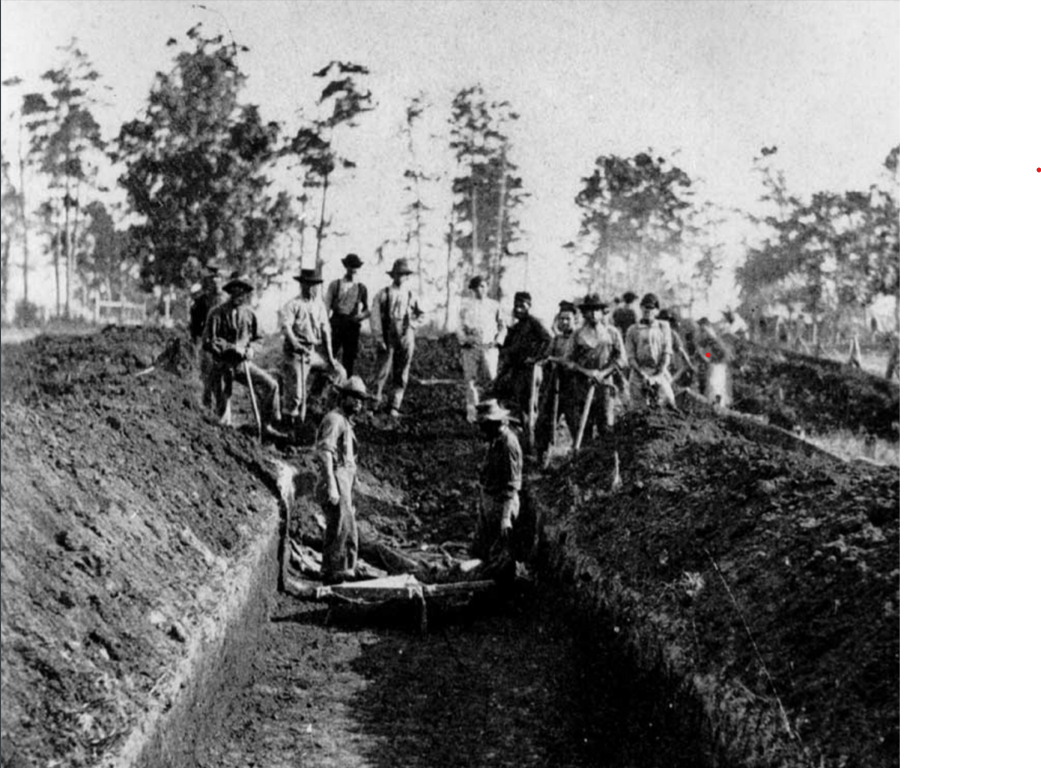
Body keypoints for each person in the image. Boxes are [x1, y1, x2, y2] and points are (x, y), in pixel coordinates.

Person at [202, 272, 285, 436]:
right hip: (221, 365)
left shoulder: (250, 314)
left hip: (242, 365)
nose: (239, 295)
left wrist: (250, 350)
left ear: (246, 293)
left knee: (271, 385)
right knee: (222, 411)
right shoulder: (216, 313)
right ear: (230, 291)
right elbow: (208, 341)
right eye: (235, 291)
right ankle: (221, 432)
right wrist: (228, 348)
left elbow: (259, 339)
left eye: (242, 292)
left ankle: (267, 425)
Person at [315, 374, 374, 584]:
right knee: (340, 528)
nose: (358, 402)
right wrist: (331, 484)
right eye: (353, 397)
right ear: (343, 398)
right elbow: (325, 452)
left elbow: (350, 461)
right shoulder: (334, 419)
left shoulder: (347, 424)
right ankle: (335, 573)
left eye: (361, 399)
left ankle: (338, 570)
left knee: (345, 528)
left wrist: (351, 491)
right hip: (336, 480)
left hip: (344, 483)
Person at [280, 267, 340, 431]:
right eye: (308, 284)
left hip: (311, 352)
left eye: (315, 285)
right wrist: (295, 344)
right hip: (294, 353)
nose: (312, 288)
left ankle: (316, 407)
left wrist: (330, 358)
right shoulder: (293, 305)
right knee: (296, 395)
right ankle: (288, 427)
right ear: (302, 285)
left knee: (339, 373)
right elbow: (286, 328)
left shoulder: (319, 306)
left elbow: (326, 332)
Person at [564, 293, 628, 444]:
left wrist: (603, 373)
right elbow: (567, 361)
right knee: (583, 429)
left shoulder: (611, 333)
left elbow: (622, 360)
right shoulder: (577, 335)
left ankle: (606, 465)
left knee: (606, 428)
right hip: (582, 387)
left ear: (602, 312)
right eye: (590, 310)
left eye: (597, 310)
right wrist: (585, 371)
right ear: (584, 313)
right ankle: (583, 463)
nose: (593, 314)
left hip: (605, 387)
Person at [471, 399, 523, 577]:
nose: (480, 430)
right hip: (490, 503)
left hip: (501, 505)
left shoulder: (508, 444)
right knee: (481, 551)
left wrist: (506, 517)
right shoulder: (495, 440)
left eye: (482, 425)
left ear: (494, 424)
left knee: (498, 559)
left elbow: (513, 484)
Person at [494, 291, 551, 447]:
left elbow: (548, 340)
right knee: (520, 405)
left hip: (532, 371)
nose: (518, 309)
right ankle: (525, 440)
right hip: (518, 371)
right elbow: (509, 349)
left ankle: (533, 443)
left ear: (529, 306)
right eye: (516, 305)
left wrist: (536, 358)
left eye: (522, 306)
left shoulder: (534, 323)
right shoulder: (517, 327)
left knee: (531, 405)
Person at [370, 258, 424, 418]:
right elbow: (375, 317)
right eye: (398, 274)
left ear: (407, 276)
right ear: (392, 275)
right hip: (388, 334)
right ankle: (373, 404)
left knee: (401, 371)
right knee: (382, 370)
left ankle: (394, 405)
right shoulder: (383, 294)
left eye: (403, 274)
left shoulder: (411, 294)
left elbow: (422, 314)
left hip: (406, 334)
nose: (400, 277)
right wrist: (379, 338)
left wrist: (412, 324)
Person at [534, 300, 580, 465]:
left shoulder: (579, 339)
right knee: (545, 420)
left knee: (575, 422)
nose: (564, 322)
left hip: (574, 388)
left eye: (568, 318)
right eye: (561, 319)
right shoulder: (556, 340)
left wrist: (554, 360)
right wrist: (545, 361)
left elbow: (571, 361)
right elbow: (546, 357)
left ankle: (578, 455)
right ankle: (542, 456)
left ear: (575, 320)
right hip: (554, 387)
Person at [456, 275, 507, 422]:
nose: (480, 290)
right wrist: (465, 340)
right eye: (476, 287)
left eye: (483, 286)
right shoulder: (465, 305)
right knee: (470, 380)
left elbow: (503, 327)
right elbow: (459, 327)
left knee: (491, 378)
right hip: (470, 348)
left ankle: (492, 411)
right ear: (471, 289)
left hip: (489, 348)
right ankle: (472, 412)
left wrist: (498, 341)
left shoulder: (494, 305)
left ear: (487, 288)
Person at [625, 293, 676, 410]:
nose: (647, 310)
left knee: (669, 401)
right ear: (641, 308)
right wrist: (642, 374)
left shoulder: (663, 327)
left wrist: (658, 374)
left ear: (657, 310)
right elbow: (631, 357)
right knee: (638, 409)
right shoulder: (632, 330)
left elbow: (666, 353)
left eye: (651, 308)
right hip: (639, 373)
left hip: (658, 371)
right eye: (645, 307)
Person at [325, 252, 370, 378]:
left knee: (349, 358)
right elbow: (326, 306)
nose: (353, 269)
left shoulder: (361, 287)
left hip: (352, 325)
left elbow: (368, 309)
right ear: (346, 267)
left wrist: (360, 316)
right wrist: (326, 324)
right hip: (337, 322)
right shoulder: (335, 284)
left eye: (355, 266)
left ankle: (345, 391)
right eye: (351, 266)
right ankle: (320, 388)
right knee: (330, 355)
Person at [189, 259, 224, 407]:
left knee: (220, 378)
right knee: (207, 377)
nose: (215, 285)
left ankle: (220, 409)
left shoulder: (224, 303)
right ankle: (207, 405)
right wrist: (196, 340)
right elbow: (195, 324)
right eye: (212, 281)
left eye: (218, 281)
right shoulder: (202, 302)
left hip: (222, 345)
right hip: (207, 343)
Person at [693, 317, 733, 408]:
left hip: (718, 362)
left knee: (714, 383)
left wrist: (705, 356)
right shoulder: (708, 337)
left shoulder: (708, 334)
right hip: (717, 362)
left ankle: (716, 403)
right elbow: (707, 352)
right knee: (715, 383)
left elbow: (709, 351)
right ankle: (716, 403)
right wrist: (706, 356)